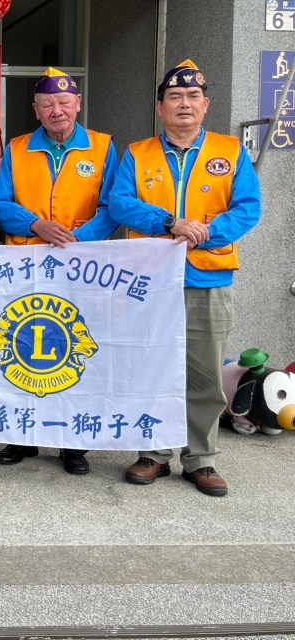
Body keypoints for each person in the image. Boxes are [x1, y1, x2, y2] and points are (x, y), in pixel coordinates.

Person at [110, 59, 261, 497]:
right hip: (150, 281)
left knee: (204, 376)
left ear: (206, 105)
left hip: (208, 279)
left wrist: (207, 232)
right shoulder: (138, 153)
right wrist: (169, 222)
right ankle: (153, 453)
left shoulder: (230, 151)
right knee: (151, 368)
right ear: (160, 107)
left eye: (193, 96)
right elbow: (120, 203)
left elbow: (248, 208)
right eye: (174, 96)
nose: (184, 103)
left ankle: (201, 459)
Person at [0, 67, 119, 475]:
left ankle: (72, 442)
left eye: (64, 102)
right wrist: (35, 225)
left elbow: (113, 205)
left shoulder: (102, 147)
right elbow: (0, 204)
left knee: (74, 349)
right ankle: (20, 434)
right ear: (36, 110)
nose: (56, 110)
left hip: (81, 267)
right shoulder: (17, 148)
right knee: (22, 347)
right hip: (26, 265)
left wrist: (80, 238)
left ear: (78, 104)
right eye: (47, 104)